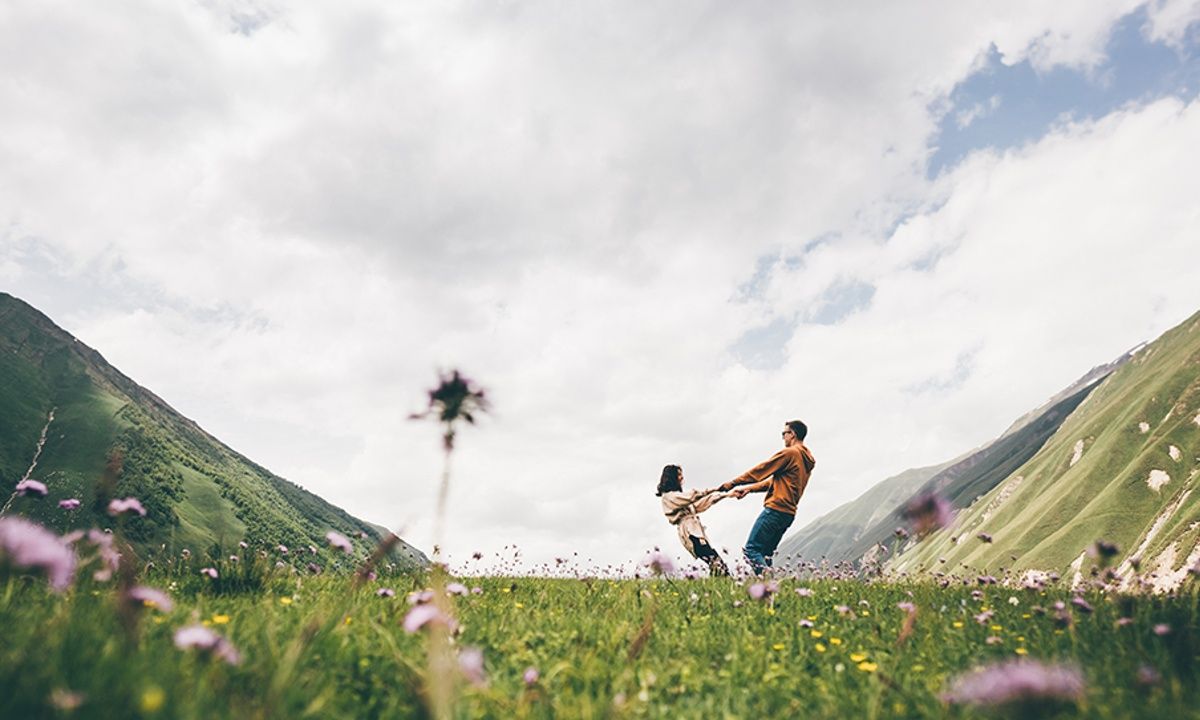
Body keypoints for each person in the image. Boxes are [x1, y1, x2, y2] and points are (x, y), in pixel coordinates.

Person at [720, 420, 815, 575]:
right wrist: (748, 489)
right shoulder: (805, 460)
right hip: (788, 514)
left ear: (793, 434)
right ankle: (771, 592)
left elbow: (762, 469)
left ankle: (769, 585)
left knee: (751, 550)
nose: (783, 437)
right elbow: (774, 482)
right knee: (765, 554)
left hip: (775, 509)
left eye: (784, 433)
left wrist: (734, 482)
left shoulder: (790, 453)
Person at [656, 464, 731, 576]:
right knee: (714, 560)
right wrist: (713, 489)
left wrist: (727, 495)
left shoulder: (679, 498)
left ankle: (716, 583)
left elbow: (699, 504)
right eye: (679, 474)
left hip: (694, 530)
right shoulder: (669, 497)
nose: (682, 477)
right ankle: (720, 581)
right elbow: (692, 496)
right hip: (689, 531)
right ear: (672, 477)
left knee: (714, 561)